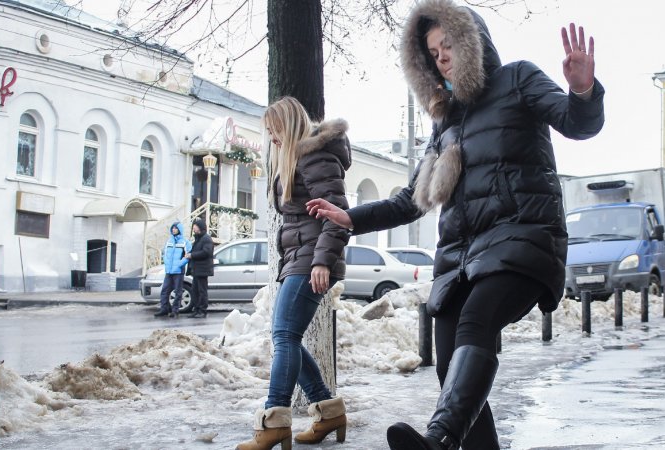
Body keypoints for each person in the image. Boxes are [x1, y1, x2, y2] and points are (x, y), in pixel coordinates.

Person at [307, 1, 605, 448]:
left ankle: (440, 439)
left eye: (448, 44)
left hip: (521, 240)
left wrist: (582, 92)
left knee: (476, 322)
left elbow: (576, 123)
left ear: (472, 42)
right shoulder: (445, 121)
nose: (442, 57)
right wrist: (351, 217)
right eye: (432, 52)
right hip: (459, 261)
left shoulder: (517, 79)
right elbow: (412, 200)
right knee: (450, 368)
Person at [236, 96, 351, 450]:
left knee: (284, 336)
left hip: (311, 259)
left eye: (275, 130)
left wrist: (322, 261)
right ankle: (328, 412)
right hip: (300, 258)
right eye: (268, 131)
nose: (272, 137)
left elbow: (337, 213)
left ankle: (274, 420)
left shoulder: (315, 157)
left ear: (289, 125)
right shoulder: (296, 158)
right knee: (288, 337)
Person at [154, 221, 191, 318]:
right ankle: (164, 309)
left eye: (176, 228)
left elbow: (187, 256)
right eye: (173, 228)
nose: (174, 230)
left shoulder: (185, 242)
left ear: (179, 230)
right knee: (165, 290)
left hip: (178, 271)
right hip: (169, 271)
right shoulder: (169, 241)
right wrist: (166, 263)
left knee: (178, 292)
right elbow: (164, 253)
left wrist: (179, 264)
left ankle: (175, 310)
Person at [184, 218, 214, 319]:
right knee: (195, 291)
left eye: (195, 226)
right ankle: (196, 309)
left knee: (202, 291)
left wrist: (192, 255)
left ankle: (202, 310)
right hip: (196, 270)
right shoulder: (198, 239)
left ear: (200, 227)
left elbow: (206, 252)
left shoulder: (206, 239)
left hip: (203, 270)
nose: (194, 228)